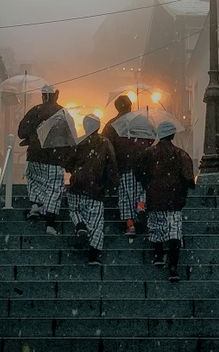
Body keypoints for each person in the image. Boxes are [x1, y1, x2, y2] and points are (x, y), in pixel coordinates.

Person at [136, 121, 194, 282]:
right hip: (174, 200)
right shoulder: (180, 154)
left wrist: (149, 183)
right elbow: (188, 177)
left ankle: (158, 254)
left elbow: (139, 173)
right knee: (174, 232)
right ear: (173, 135)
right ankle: (173, 267)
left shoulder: (149, 153)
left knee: (156, 228)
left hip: (155, 198)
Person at [63, 114, 118, 265]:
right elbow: (111, 165)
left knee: (75, 209)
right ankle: (94, 255)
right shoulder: (105, 143)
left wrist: (74, 169)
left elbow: (68, 163)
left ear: (85, 126)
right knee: (96, 222)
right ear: (98, 126)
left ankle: (80, 225)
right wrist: (112, 185)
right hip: (96, 187)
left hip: (77, 184)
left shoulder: (79, 141)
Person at [17, 85, 66, 235]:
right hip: (55, 157)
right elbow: (68, 136)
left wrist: (33, 134)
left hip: (35, 154)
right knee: (54, 188)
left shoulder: (35, 110)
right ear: (55, 96)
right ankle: (50, 223)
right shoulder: (62, 113)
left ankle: (35, 205)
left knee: (34, 179)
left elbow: (21, 132)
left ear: (43, 96)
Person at [102, 95, 148, 236]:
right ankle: (141, 207)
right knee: (142, 190)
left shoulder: (111, 125)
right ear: (130, 106)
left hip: (122, 165)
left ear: (117, 107)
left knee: (125, 198)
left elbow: (106, 146)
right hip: (141, 164)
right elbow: (149, 139)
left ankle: (130, 226)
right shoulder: (140, 121)